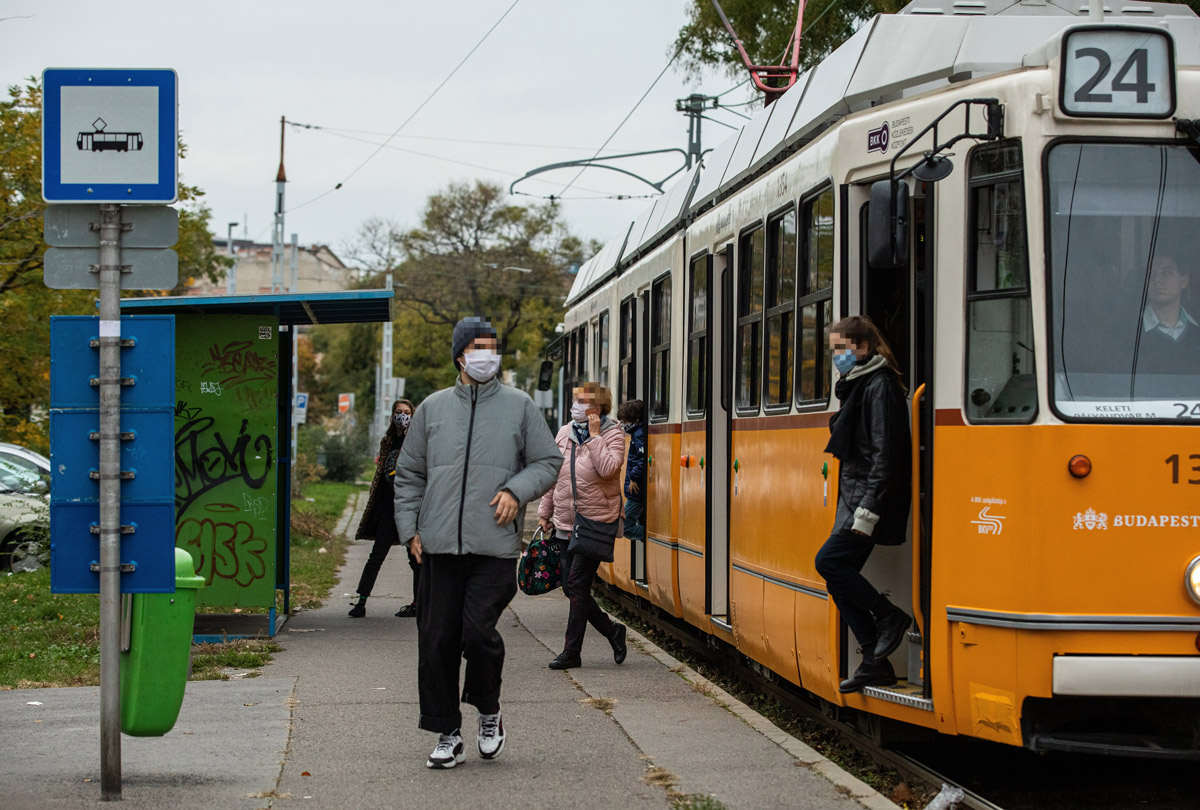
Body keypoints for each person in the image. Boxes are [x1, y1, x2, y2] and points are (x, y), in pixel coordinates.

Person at [393, 316, 562, 770]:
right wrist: (409, 529)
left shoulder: (519, 406)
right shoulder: (431, 408)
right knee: (436, 640)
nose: (487, 355)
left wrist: (515, 490)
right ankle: (448, 732)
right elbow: (409, 475)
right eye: (478, 347)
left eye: (492, 347)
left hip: (494, 547)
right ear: (460, 355)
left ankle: (489, 711)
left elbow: (548, 461)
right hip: (438, 547)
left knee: (476, 633)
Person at [814, 315, 912, 694]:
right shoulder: (859, 385)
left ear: (865, 348)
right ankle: (875, 662)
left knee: (829, 562)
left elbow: (885, 455)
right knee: (838, 579)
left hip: (867, 502)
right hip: (855, 498)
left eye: (842, 349)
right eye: (833, 350)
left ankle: (890, 618)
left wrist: (868, 510)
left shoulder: (880, 386)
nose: (836, 357)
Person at [538, 383, 628, 671]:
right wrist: (545, 510)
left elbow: (608, 469)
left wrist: (594, 437)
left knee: (577, 584)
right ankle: (612, 631)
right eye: (575, 400)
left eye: (581, 401)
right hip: (565, 521)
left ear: (597, 409)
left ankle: (571, 652)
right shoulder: (564, 433)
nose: (575, 405)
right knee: (570, 587)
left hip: (594, 520)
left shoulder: (613, 434)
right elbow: (554, 474)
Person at [349, 398, 418, 618]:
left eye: (407, 412)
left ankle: (419, 603)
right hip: (389, 507)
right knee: (376, 555)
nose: (403, 416)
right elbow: (381, 474)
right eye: (399, 412)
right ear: (392, 416)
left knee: (415, 557)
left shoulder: (416, 442)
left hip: (409, 508)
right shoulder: (387, 441)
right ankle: (361, 601)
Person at [617, 399, 646, 543]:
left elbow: (642, 458)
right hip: (636, 490)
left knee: (625, 527)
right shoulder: (638, 433)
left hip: (636, 490)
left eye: (626, 421)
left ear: (636, 419)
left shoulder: (639, 434)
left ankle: (649, 534)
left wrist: (634, 477)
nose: (624, 424)